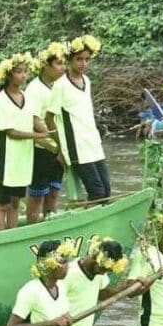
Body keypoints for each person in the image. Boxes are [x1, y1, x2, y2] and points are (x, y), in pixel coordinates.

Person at [0, 52, 51, 230]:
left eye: (25, 72)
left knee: (16, 203)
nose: (23, 75)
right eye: (19, 72)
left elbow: (35, 120)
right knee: (3, 204)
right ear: (9, 75)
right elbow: (11, 132)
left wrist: (50, 133)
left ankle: (13, 235)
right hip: (7, 160)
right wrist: (39, 136)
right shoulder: (1, 100)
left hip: (23, 159)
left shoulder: (27, 97)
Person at [46, 35, 110, 202]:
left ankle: (102, 225)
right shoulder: (60, 85)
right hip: (76, 147)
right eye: (79, 59)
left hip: (93, 142)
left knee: (107, 190)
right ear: (69, 61)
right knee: (97, 192)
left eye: (87, 59)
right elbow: (49, 118)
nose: (83, 63)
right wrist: (61, 147)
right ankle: (92, 226)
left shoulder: (86, 81)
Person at [58, 236, 130, 326]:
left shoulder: (99, 274)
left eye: (107, 271)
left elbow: (104, 294)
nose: (103, 274)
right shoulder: (69, 274)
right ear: (95, 257)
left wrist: (128, 287)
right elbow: (52, 304)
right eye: (102, 270)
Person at [25, 42, 67, 223]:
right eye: (58, 63)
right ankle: (32, 232)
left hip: (59, 148)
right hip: (42, 148)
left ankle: (50, 229)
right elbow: (34, 120)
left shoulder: (61, 86)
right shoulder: (35, 89)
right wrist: (56, 143)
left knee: (54, 192)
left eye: (64, 63)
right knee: (36, 195)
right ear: (46, 66)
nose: (63, 68)